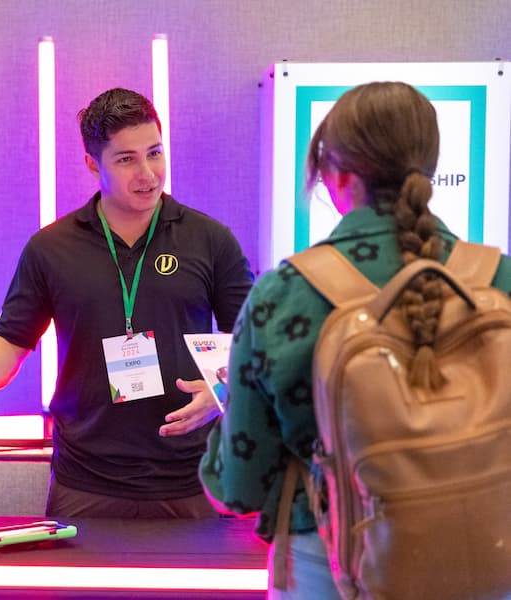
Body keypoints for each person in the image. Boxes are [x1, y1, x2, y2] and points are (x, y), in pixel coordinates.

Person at [199, 81, 511, 598]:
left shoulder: (285, 293)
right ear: (430, 166)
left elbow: (240, 484)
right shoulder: (498, 279)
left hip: (329, 565)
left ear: (334, 173)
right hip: (487, 556)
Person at [0, 87, 254, 518]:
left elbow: (252, 341)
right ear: (92, 164)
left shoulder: (210, 240)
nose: (147, 173)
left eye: (155, 153)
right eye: (126, 159)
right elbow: (13, 337)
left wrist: (222, 392)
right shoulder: (52, 247)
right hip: (86, 477)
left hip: (190, 474)